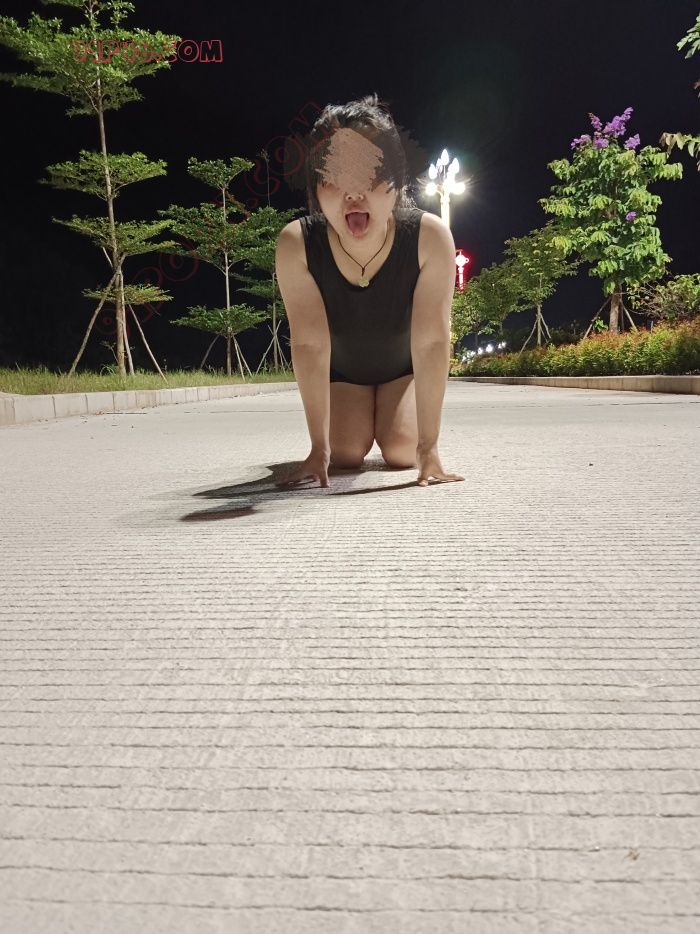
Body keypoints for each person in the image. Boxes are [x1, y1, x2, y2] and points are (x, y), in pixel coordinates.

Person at [274, 92, 465, 490]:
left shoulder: (429, 237)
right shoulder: (297, 245)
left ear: (396, 182)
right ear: (315, 187)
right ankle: (342, 433)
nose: (353, 193)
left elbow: (431, 339)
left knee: (402, 451)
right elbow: (309, 343)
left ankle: (406, 427)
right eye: (335, 176)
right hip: (345, 376)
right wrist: (318, 449)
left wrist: (429, 448)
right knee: (344, 453)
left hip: (402, 372)